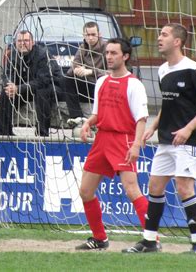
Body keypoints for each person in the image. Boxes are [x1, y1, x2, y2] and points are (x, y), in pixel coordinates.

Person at [126, 23, 196, 254]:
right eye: (159, 34)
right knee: (154, 186)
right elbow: (168, 104)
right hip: (167, 139)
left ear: (177, 41)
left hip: (190, 140)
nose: (159, 38)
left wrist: (187, 129)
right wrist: (153, 126)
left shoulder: (193, 70)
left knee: (184, 187)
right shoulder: (163, 70)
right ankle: (149, 241)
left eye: (164, 35)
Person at [75, 38, 149, 250]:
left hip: (123, 140)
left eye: (114, 53)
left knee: (131, 190)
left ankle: (152, 239)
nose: (109, 56)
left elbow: (141, 119)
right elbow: (97, 114)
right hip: (102, 140)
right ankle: (99, 239)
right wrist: (88, 123)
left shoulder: (134, 84)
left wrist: (136, 145)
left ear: (125, 56)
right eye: (107, 53)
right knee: (85, 191)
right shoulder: (101, 81)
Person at [0, 30, 59, 137]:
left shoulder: (43, 54)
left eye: (26, 40)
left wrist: (18, 89)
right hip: (27, 89)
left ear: (32, 42)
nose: (22, 43)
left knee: (42, 91)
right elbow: (6, 75)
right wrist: (10, 86)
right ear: (15, 42)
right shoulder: (13, 54)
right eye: (19, 40)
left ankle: (42, 134)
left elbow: (42, 81)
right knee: (6, 92)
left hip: (51, 88)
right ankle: (3, 132)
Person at [64, 21, 107, 119]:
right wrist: (77, 70)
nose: (90, 38)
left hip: (103, 87)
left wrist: (91, 71)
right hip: (87, 86)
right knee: (67, 78)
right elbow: (75, 64)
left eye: (93, 34)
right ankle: (76, 118)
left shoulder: (106, 48)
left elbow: (112, 73)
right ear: (84, 35)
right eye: (88, 35)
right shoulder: (83, 47)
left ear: (99, 34)